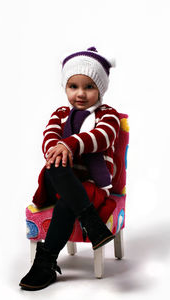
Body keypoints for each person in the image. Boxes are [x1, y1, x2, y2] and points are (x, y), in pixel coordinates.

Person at [19, 47, 120, 291]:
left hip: (90, 186)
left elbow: (103, 136)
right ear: (65, 87)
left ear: (101, 89)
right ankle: (92, 224)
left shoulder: (108, 115)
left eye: (89, 87)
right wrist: (59, 147)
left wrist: (70, 143)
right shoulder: (61, 114)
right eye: (73, 86)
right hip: (58, 177)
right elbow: (48, 138)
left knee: (67, 200)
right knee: (55, 163)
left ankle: (46, 263)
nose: (81, 94)